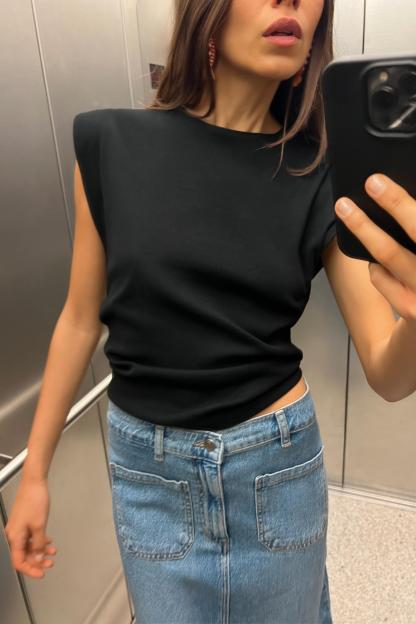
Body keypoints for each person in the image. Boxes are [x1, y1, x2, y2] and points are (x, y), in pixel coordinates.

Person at [8, 0, 337, 622]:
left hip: (277, 463)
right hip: (149, 477)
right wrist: (35, 474)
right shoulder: (110, 143)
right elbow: (80, 318)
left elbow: (388, 370)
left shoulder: (319, 168)